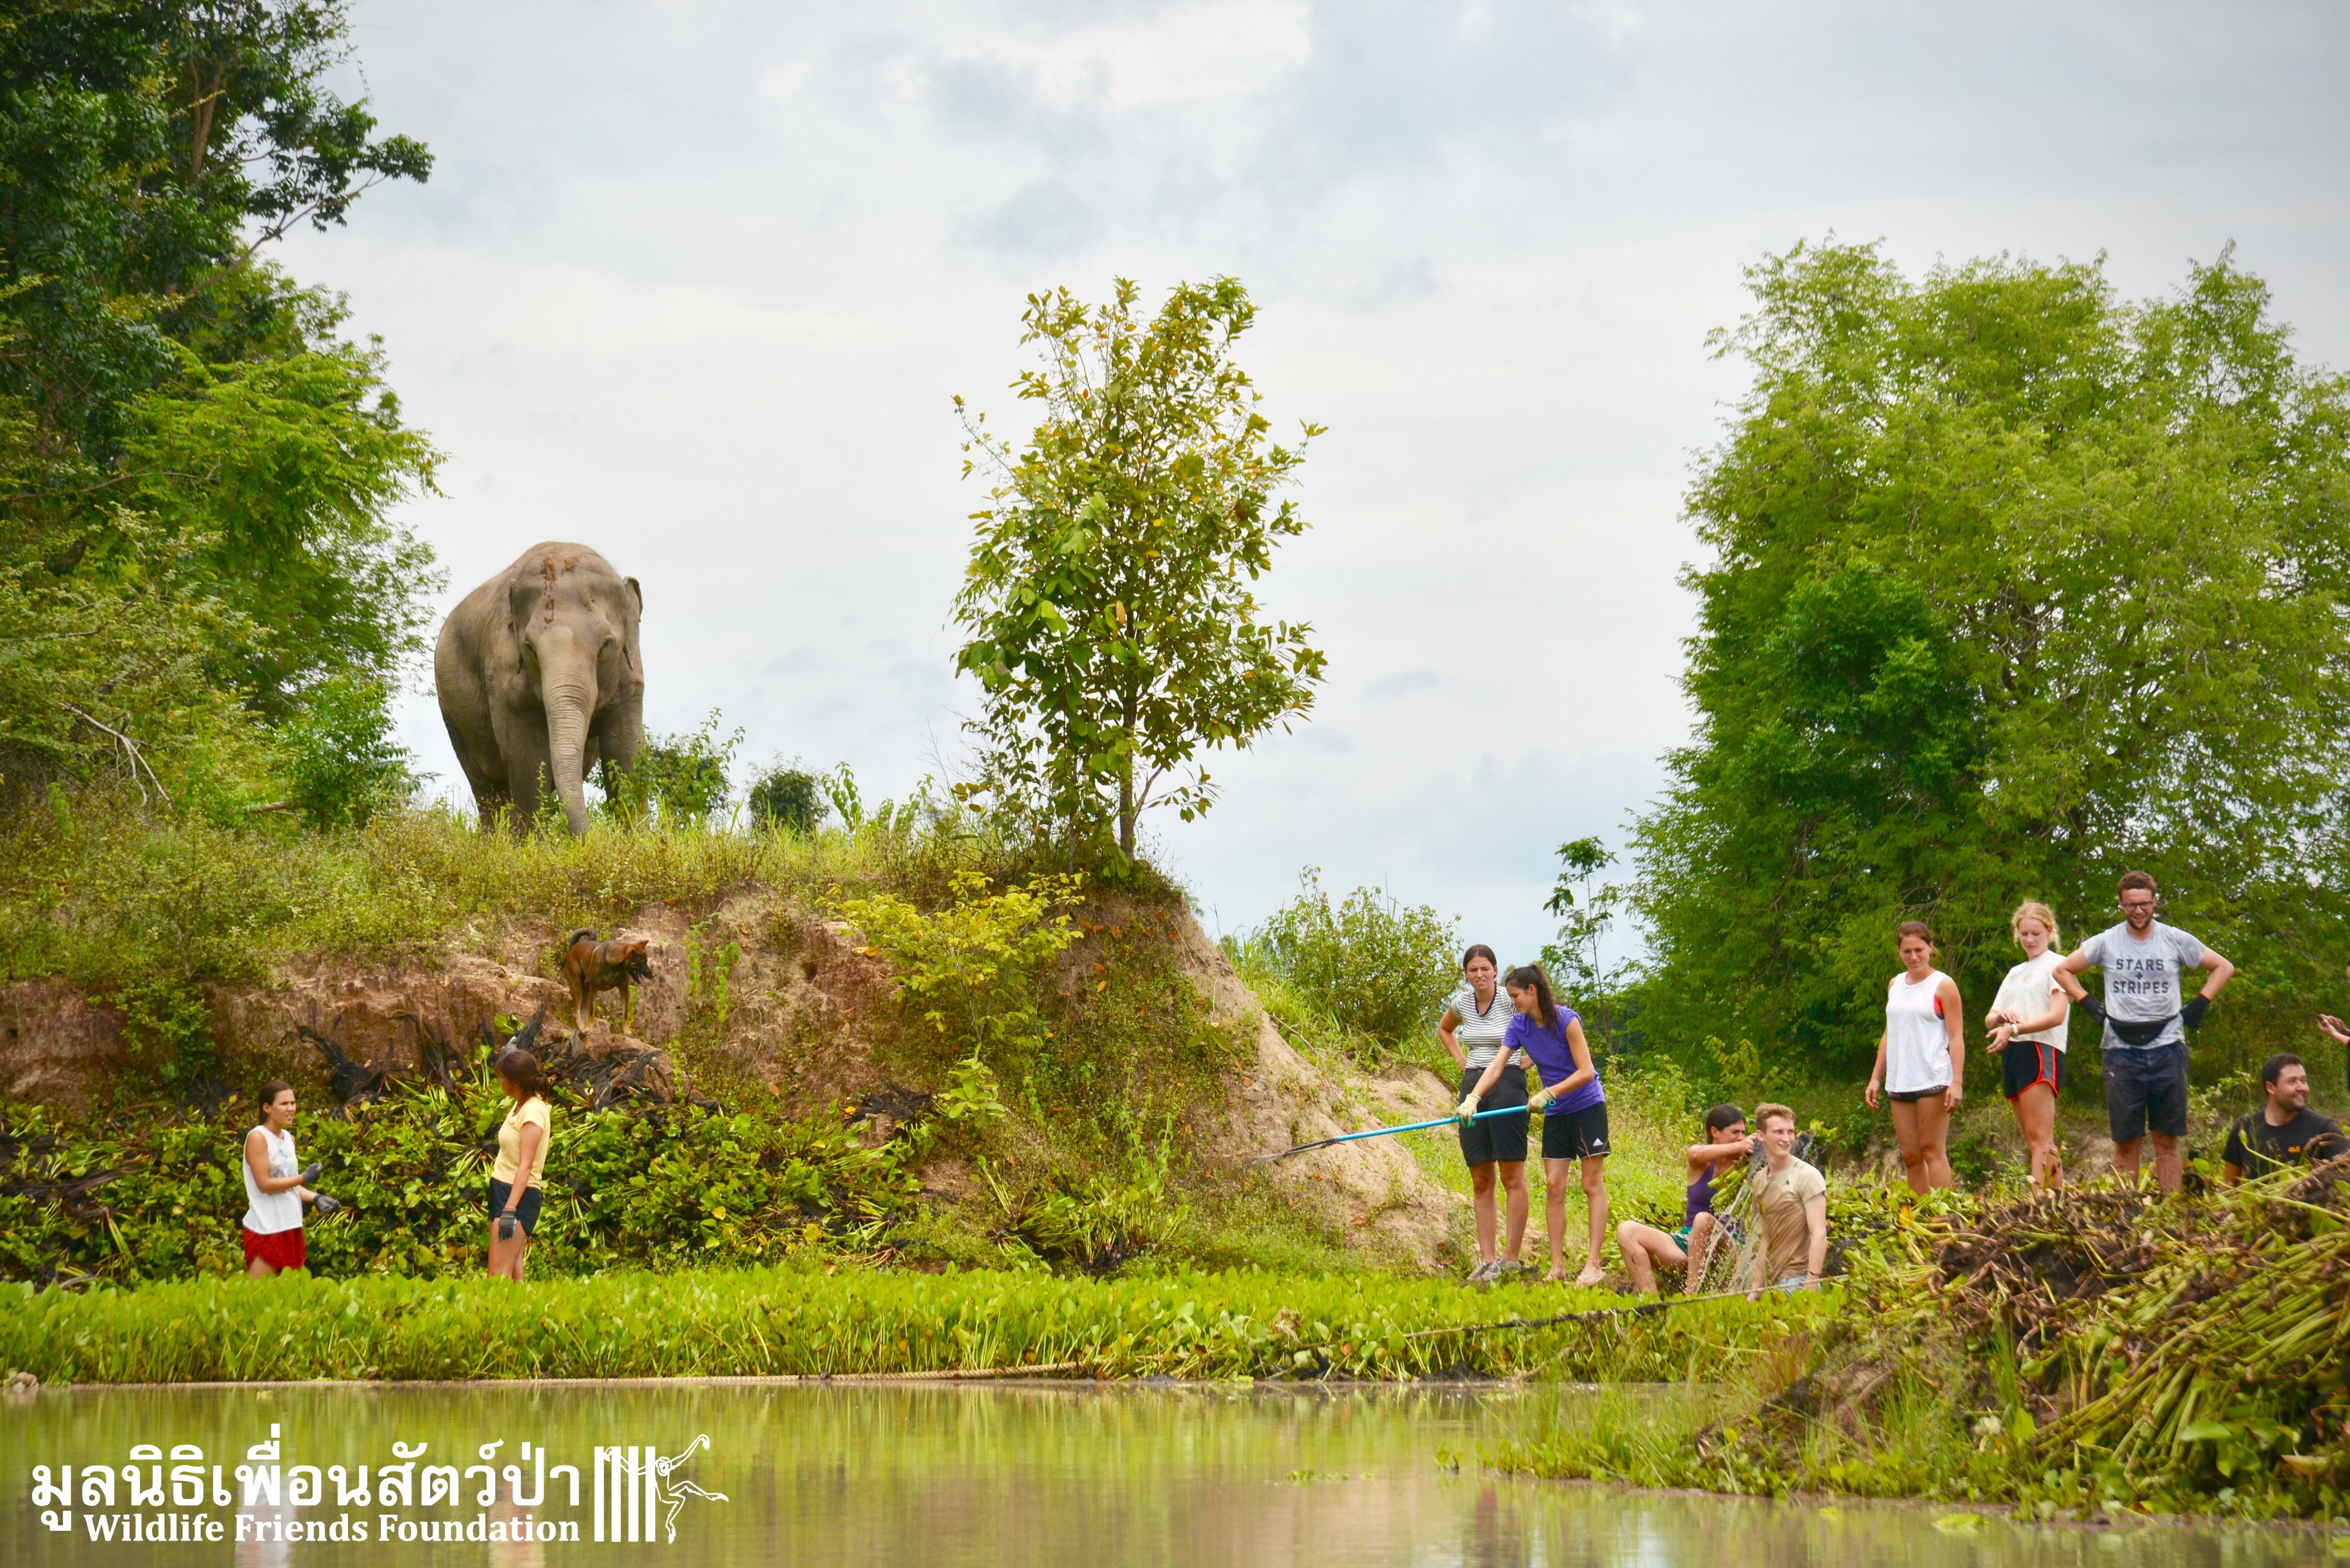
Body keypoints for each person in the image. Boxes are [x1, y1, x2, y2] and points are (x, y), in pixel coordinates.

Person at [2057, 871, 2235, 1194]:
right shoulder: (2107, 941)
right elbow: (2062, 970)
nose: (2138, 911)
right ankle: (2125, 1209)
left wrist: (2200, 1003)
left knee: (2167, 1139)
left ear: (2155, 901)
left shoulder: (2174, 939)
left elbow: (2224, 967)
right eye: (2131, 905)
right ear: (2121, 905)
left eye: (2144, 904)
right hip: (2120, 1051)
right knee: (2127, 1141)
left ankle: (2169, 1208)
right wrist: (2089, 1003)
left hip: (2168, 1047)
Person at [1496, 964, 1610, 1286]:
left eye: (1516, 996)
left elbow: (1586, 1072)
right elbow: (1498, 1064)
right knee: (1554, 1186)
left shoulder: (1567, 1020)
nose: (1513, 1002)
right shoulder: (1519, 1025)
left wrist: (1549, 1092)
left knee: (1591, 1184)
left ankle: (1593, 1264)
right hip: (1558, 1113)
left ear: (1532, 991)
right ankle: (1557, 1267)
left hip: (1587, 1107)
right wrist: (1474, 1097)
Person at [1441, 944, 1529, 1283]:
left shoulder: (1509, 1000)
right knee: (1480, 1176)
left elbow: (1542, 1027)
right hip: (1473, 1085)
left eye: (1485, 968)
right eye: (1473, 969)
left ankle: (1510, 1259)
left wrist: (1527, 1061)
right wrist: (1462, 1062)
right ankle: (1488, 1260)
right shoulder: (1462, 1003)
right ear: (1466, 973)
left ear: (1495, 970)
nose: (1479, 975)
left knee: (1511, 1174)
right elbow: (1445, 1029)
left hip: (1508, 1082)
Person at [1863, 920, 1965, 1192]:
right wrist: (1875, 1078)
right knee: (1910, 1154)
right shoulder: (1895, 985)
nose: (1914, 957)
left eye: (1919, 950)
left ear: (1930, 948)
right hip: (1900, 1080)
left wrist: (1956, 1082)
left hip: (1933, 1078)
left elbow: (1956, 1037)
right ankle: (1919, 1210)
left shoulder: (1943, 985)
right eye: (1907, 951)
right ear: (1899, 951)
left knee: (1932, 1149)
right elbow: (1890, 1033)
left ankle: (1943, 1211)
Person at [1984, 901, 2075, 1189]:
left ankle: (2045, 1203)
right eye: (2024, 934)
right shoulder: (2015, 972)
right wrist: (2002, 1018)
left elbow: (2056, 1015)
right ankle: (2051, 1200)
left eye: (2036, 933)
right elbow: (1990, 1019)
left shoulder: (2059, 965)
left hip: (2041, 1049)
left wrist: (2015, 1028)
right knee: (2034, 1140)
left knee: (2042, 1139)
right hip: (2013, 1050)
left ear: (2049, 931)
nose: (2030, 940)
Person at [1616, 1104, 1749, 1297]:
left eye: (1743, 1133)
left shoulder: (1747, 1164)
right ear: (1715, 1132)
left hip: (1729, 1246)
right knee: (1626, 1229)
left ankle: (1690, 1296)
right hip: (1688, 1244)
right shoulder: (1700, 1159)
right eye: (1735, 1132)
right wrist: (1739, 1147)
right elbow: (1695, 1155)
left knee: (1703, 1220)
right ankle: (1650, 1301)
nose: (1741, 1138)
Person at [240, 1081, 338, 1277]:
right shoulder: (258, 1138)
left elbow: (287, 1184)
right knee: (262, 1293)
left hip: (291, 1225)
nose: (291, 1108)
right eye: (284, 1104)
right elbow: (265, 1185)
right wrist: (304, 1178)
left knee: (290, 1292)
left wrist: (316, 1197)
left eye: (293, 1103)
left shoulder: (289, 1139)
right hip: (265, 1227)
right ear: (267, 1108)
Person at [2221, 1055, 2346, 1183]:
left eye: (2303, 1081)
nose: (2301, 1088)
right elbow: (2229, 1184)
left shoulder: (2324, 1129)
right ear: (2271, 1088)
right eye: (2292, 1082)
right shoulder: (2245, 1127)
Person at [1746, 1103, 1828, 1296]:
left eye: (1790, 1132)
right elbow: (1767, 1239)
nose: (1787, 1139)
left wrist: (1811, 1283)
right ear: (1761, 1136)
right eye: (1779, 1132)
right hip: (1774, 1283)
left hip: (1799, 1281)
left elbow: (1819, 1234)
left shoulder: (1807, 1175)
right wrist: (1756, 1290)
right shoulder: (1759, 1180)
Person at [489, 1047, 555, 1282]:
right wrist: (508, 1056)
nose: (500, 1081)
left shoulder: (533, 1112)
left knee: (497, 1275)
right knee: (513, 1274)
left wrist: (510, 1209)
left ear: (516, 1082)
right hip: (502, 1189)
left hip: (517, 1195)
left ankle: (494, 1308)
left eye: (503, 1077)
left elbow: (526, 1166)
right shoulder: (520, 1104)